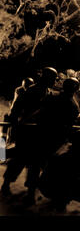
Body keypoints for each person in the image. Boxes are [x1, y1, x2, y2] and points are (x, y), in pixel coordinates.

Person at [0, 67, 58, 204]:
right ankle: (6, 184)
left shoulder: (49, 93)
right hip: (26, 134)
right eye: (53, 78)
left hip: (39, 135)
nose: (55, 81)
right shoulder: (31, 91)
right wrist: (16, 125)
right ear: (46, 78)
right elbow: (15, 110)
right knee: (19, 161)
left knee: (35, 165)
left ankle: (31, 192)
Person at [39, 129, 80, 212]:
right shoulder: (77, 155)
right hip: (50, 186)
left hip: (44, 185)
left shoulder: (66, 147)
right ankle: (60, 201)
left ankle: (57, 198)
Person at [37, 77, 80, 161]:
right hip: (58, 137)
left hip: (42, 132)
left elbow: (40, 111)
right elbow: (70, 122)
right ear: (75, 90)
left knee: (37, 163)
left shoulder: (51, 95)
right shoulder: (74, 105)